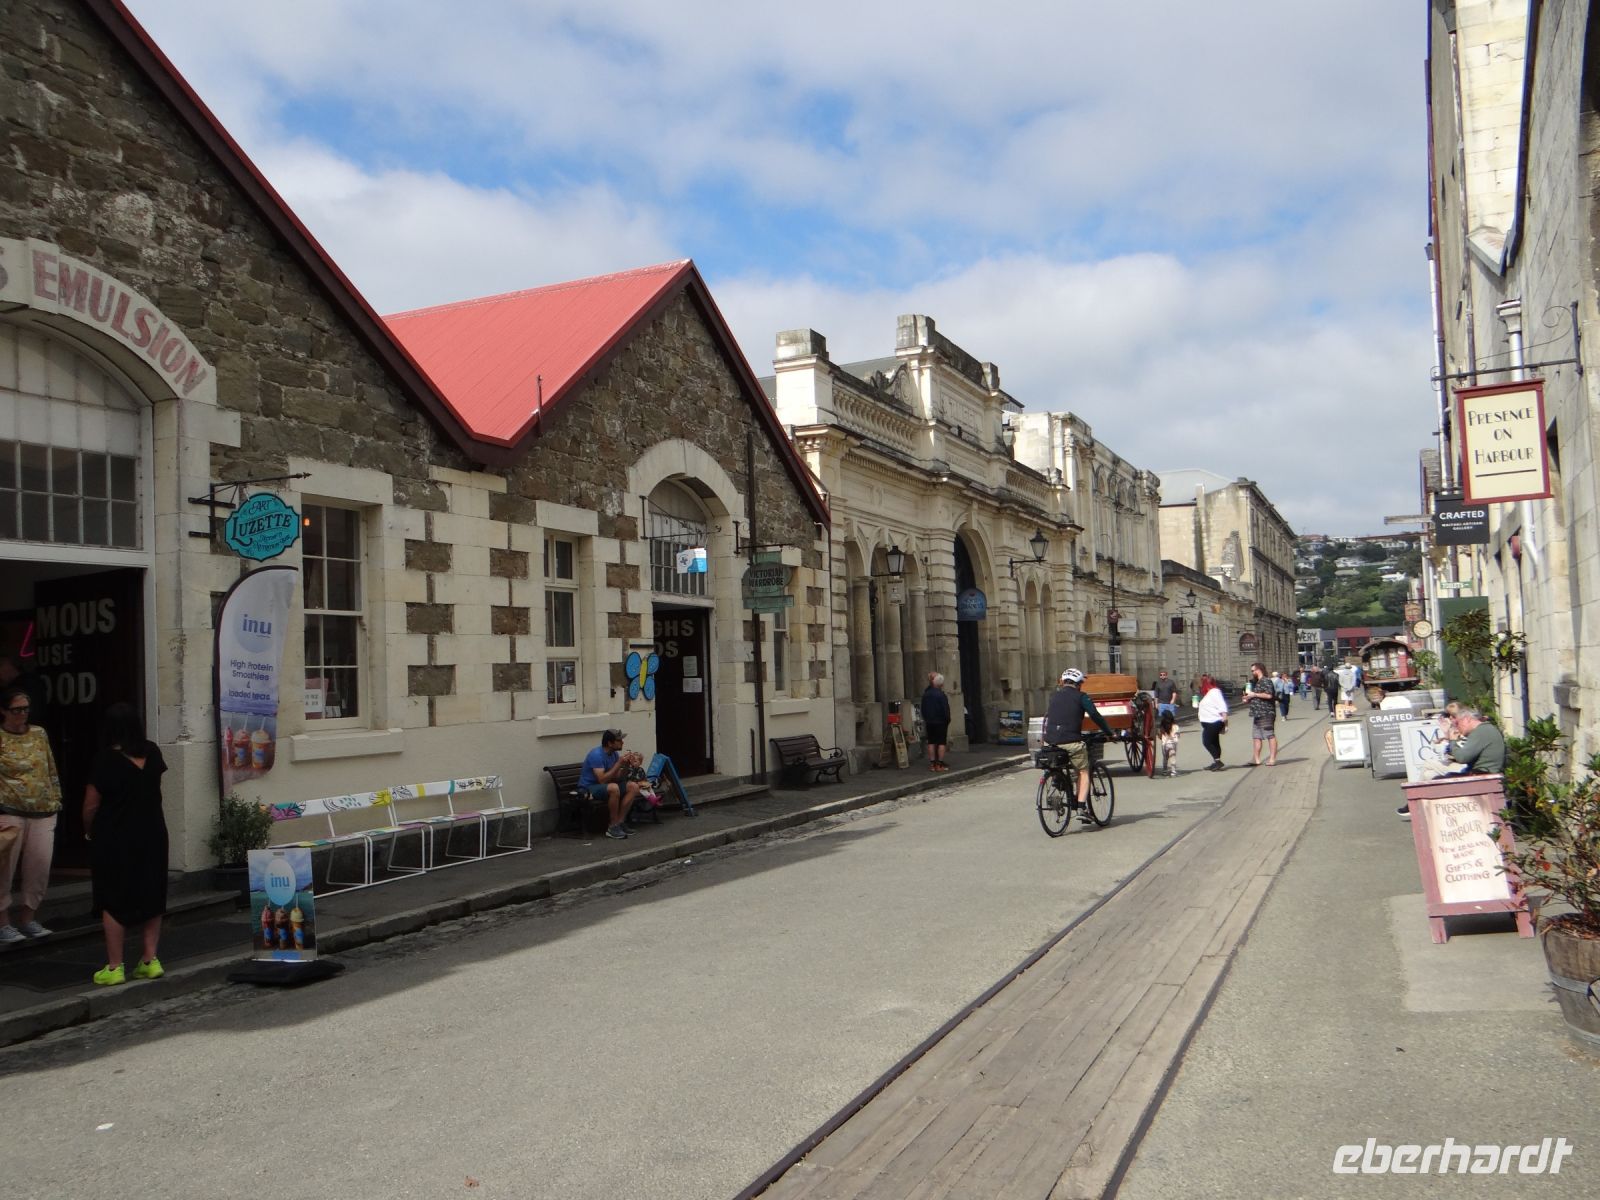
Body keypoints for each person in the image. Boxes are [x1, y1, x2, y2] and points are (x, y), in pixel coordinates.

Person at [82, 703, 168, 985]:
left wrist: (88, 832)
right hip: (153, 832)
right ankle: (149, 959)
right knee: (152, 892)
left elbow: (91, 807)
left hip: (115, 836)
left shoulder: (104, 760)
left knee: (112, 897)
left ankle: (115, 966)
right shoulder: (153, 752)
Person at [0, 685, 63, 943]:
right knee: (5, 867)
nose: (22, 714)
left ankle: (28, 918)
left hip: (43, 809)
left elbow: (49, 766)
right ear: (3, 711)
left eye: (25, 709)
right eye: (16, 710)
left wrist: (56, 797)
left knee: (39, 865)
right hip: (8, 810)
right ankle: (3, 922)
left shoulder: (39, 733)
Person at [1044, 668, 1119, 820]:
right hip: (1071, 741)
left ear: (1063, 682)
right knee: (1083, 772)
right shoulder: (1081, 697)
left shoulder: (1054, 696)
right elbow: (1095, 716)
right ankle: (1081, 808)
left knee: (1060, 762)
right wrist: (1109, 732)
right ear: (1079, 684)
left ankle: (1057, 779)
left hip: (1050, 741)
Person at [579, 729, 641, 840]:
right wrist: (619, 763)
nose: (622, 742)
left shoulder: (614, 754)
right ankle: (612, 827)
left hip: (606, 785)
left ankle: (620, 822)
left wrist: (626, 765)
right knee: (614, 788)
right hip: (589, 788)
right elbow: (602, 780)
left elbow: (618, 777)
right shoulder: (596, 755)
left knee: (633, 786)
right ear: (610, 743)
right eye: (619, 740)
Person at [1244, 662, 1278, 766]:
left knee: (1269, 735)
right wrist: (1248, 698)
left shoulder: (1266, 681)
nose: (1252, 672)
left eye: (1253, 670)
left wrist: (1255, 694)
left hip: (1266, 712)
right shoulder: (1256, 682)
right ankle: (1256, 759)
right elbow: (1256, 696)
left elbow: (1268, 695)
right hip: (1257, 713)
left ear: (1259, 670)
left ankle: (1272, 758)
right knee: (1256, 736)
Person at [920, 672, 951, 772]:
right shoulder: (941, 695)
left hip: (929, 721)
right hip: (940, 721)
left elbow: (923, 709)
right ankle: (940, 764)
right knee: (942, 742)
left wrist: (926, 718)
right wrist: (947, 720)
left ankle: (932, 764)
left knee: (931, 742)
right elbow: (945, 709)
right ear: (940, 684)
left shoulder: (926, 694)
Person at [1196, 674, 1229, 770]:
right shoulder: (1209, 693)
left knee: (1207, 741)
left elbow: (1222, 705)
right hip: (1210, 722)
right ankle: (1216, 761)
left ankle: (1218, 761)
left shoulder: (1214, 692)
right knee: (1214, 742)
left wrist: (1225, 719)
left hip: (1214, 722)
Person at [1157, 710, 1180, 777]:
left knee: (1165, 758)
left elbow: (1160, 736)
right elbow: (1178, 735)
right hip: (1173, 744)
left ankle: (1164, 771)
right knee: (1172, 757)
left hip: (1165, 744)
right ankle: (1173, 772)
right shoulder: (1176, 726)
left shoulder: (1162, 727)